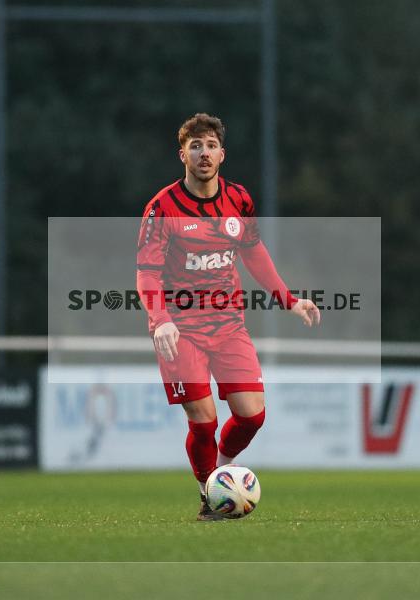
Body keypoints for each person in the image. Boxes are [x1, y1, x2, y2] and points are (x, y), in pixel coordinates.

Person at [136, 113, 320, 521]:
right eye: (196, 146)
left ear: (222, 154)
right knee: (202, 420)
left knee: (253, 415)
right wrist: (160, 318)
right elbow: (147, 273)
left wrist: (289, 299)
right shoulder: (161, 208)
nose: (204, 153)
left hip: (229, 324)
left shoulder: (238, 199)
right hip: (180, 330)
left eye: (211, 145)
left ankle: (223, 466)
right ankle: (209, 493)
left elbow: (253, 251)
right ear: (182, 153)